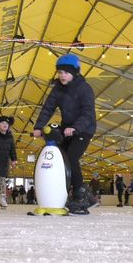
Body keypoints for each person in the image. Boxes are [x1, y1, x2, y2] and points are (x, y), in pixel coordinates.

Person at [32, 53, 96, 215]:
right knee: (60, 158)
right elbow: (48, 108)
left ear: (74, 73)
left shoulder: (84, 88)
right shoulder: (57, 89)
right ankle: (67, 193)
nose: (62, 75)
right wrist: (39, 126)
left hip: (84, 128)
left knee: (72, 157)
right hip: (67, 128)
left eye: (66, 72)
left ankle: (81, 194)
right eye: (60, 72)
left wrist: (76, 128)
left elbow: (88, 113)